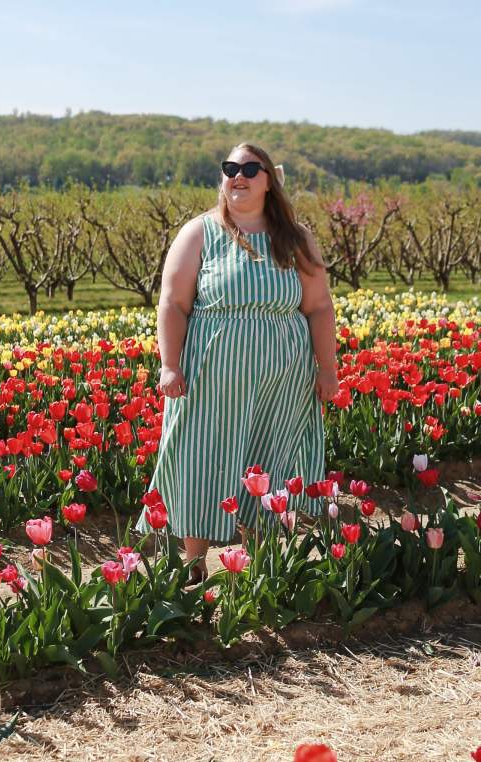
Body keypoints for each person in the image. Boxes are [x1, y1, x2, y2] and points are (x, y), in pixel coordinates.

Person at [139, 143, 339, 583]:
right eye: (231, 168)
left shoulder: (296, 238)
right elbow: (173, 303)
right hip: (211, 377)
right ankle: (193, 564)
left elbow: (320, 307)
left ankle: (256, 563)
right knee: (201, 456)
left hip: (282, 380)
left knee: (266, 459)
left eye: (250, 168)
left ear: (270, 179)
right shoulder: (200, 233)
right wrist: (169, 364)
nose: (239, 176)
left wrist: (328, 369)